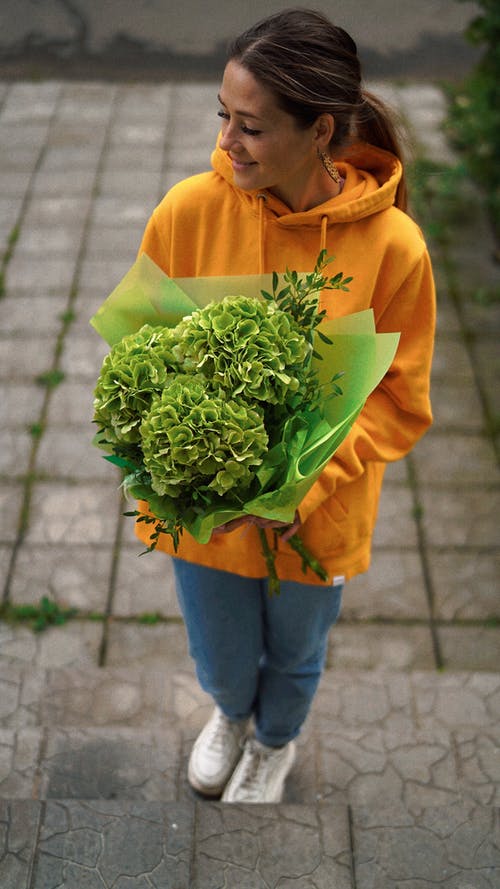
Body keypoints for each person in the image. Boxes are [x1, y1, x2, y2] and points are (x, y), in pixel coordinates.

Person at [135, 8, 435, 803]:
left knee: (297, 651)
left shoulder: (395, 249)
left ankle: (274, 740)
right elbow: (141, 353)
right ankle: (232, 713)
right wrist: (168, 450)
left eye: (253, 127)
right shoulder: (188, 212)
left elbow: (401, 398)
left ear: (320, 130)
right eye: (224, 118)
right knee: (222, 648)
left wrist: (308, 482)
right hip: (204, 515)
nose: (228, 142)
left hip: (321, 515)